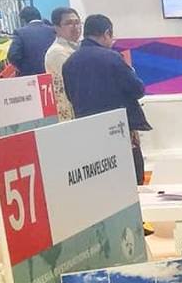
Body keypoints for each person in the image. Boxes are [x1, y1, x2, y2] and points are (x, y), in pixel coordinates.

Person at [62, 14, 150, 185]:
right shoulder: (112, 58)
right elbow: (137, 89)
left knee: (101, 183)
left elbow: (70, 97)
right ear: (107, 33)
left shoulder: (69, 63)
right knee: (132, 181)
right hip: (118, 130)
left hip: (87, 132)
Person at [43, 7, 81, 121]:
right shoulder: (57, 51)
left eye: (77, 22)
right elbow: (74, 79)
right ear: (56, 28)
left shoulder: (78, 47)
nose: (75, 27)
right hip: (69, 112)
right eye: (69, 23)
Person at [7, 5, 55, 76]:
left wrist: (23, 67)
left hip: (31, 76)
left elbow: (13, 55)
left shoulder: (20, 33)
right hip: (52, 73)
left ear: (23, 20)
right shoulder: (53, 30)